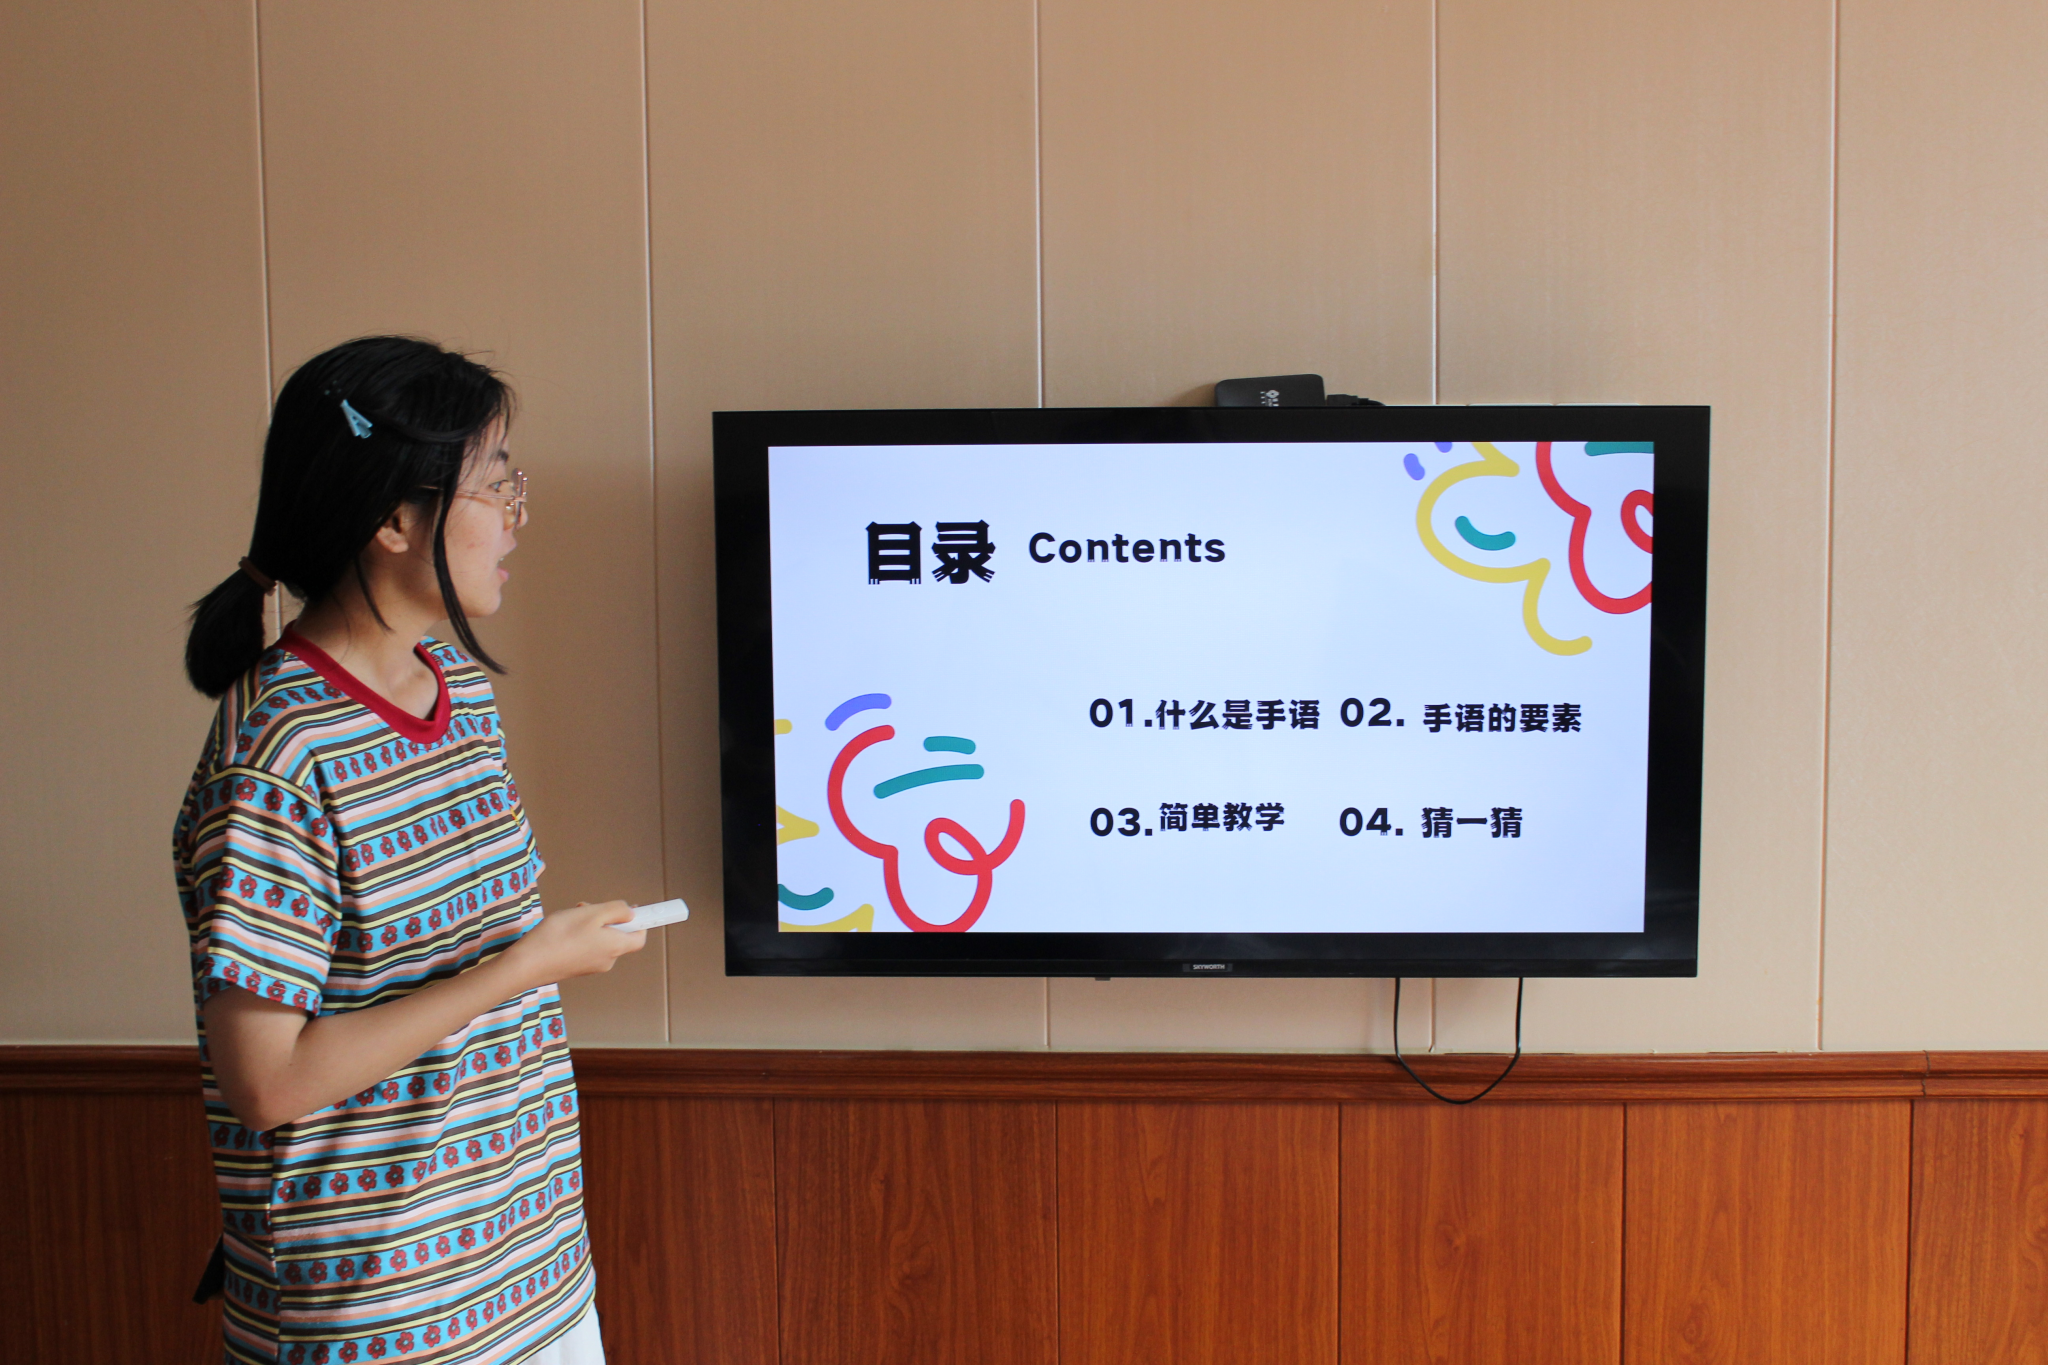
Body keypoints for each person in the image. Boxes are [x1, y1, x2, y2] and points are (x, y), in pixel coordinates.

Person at [175, 336, 646, 1364]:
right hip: (380, 1316)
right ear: (394, 519)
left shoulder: (456, 686)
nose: (517, 514)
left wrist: (532, 958)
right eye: (495, 484)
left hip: (533, 1270)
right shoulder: (277, 753)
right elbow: (267, 1082)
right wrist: (525, 966)